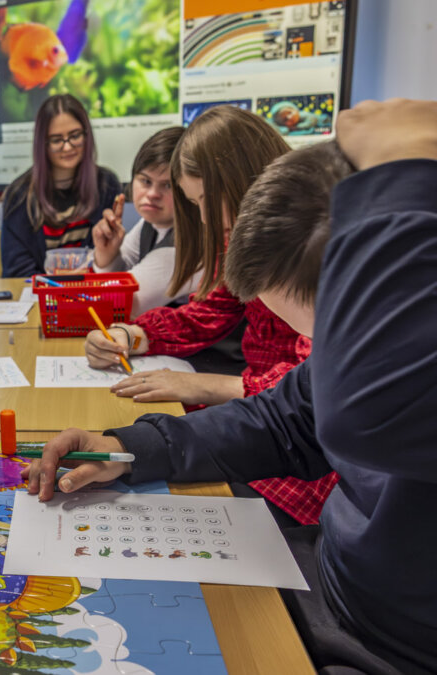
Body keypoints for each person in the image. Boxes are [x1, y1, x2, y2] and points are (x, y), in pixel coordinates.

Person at [24, 99, 437, 673]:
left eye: (326, 331)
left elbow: (353, 418)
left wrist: (399, 168)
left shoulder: (391, 360)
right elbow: (285, 417)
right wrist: (125, 447)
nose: (324, 352)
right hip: (325, 576)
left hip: (387, 645)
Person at [87, 106, 332, 526]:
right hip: (268, 416)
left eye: (203, 200)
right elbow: (211, 309)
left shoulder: (310, 244)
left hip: (295, 442)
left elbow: (312, 392)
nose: (200, 216)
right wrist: (134, 334)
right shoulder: (241, 233)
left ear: (238, 185)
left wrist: (208, 385)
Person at [1, 94, 121, 277]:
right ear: (43, 144)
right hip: (41, 300)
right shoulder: (19, 195)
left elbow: (107, 264)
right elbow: (18, 274)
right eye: (56, 140)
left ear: (86, 135)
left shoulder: (107, 185)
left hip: (90, 297)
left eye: (75, 136)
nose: (67, 147)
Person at [90, 126, 199, 316]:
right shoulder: (154, 222)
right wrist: (107, 254)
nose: (152, 195)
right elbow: (117, 279)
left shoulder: (181, 246)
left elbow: (119, 306)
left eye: (167, 185)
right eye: (145, 181)